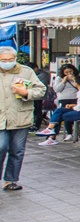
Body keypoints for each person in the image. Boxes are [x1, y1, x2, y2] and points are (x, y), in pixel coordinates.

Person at [0, 46, 46, 190]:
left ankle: (10, 180)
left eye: (10, 59)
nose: (7, 62)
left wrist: (26, 92)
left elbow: (41, 89)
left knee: (17, 150)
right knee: (1, 147)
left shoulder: (26, 71)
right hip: (1, 117)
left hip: (21, 116)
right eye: (3, 60)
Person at [38, 74, 80, 145]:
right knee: (59, 110)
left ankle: (51, 136)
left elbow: (79, 108)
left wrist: (73, 107)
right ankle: (50, 130)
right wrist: (72, 105)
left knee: (59, 116)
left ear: (76, 83)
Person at [36, 63, 79, 137]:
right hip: (64, 99)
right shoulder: (59, 78)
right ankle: (69, 133)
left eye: (70, 72)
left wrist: (74, 79)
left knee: (73, 114)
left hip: (76, 98)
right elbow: (57, 89)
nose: (68, 74)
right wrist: (63, 82)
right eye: (66, 72)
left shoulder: (78, 77)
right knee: (65, 115)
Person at [30, 63, 50, 133]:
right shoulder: (33, 74)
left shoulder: (43, 75)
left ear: (36, 68)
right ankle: (33, 125)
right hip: (32, 95)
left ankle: (36, 125)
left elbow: (40, 85)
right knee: (34, 110)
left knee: (37, 111)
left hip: (38, 96)